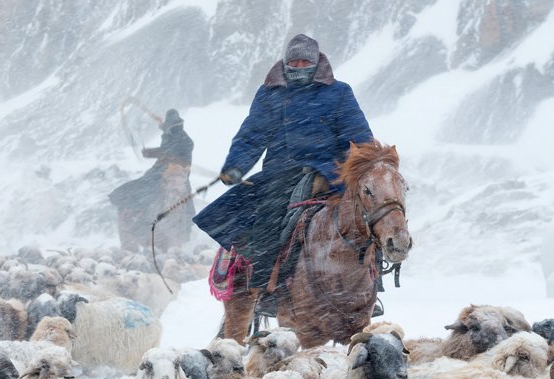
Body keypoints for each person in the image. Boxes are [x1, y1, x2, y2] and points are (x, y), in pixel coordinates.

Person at [193, 34, 374, 320]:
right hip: (281, 173)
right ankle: (266, 287)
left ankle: (369, 288)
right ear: (285, 62)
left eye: (305, 61)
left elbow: (359, 139)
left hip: (331, 173)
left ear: (316, 64)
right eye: (294, 61)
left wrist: (358, 168)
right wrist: (236, 166)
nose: (299, 66)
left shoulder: (339, 92)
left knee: (367, 218)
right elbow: (252, 136)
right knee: (266, 220)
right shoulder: (270, 93)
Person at [109, 109, 194, 252]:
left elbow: (176, 155)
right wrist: (151, 153)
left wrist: (162, 156)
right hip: (159, 172)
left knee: (142, 194)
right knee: (130, 193)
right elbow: (166, 150)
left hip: (170, 174)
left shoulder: (184, 140)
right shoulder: (170, 135)